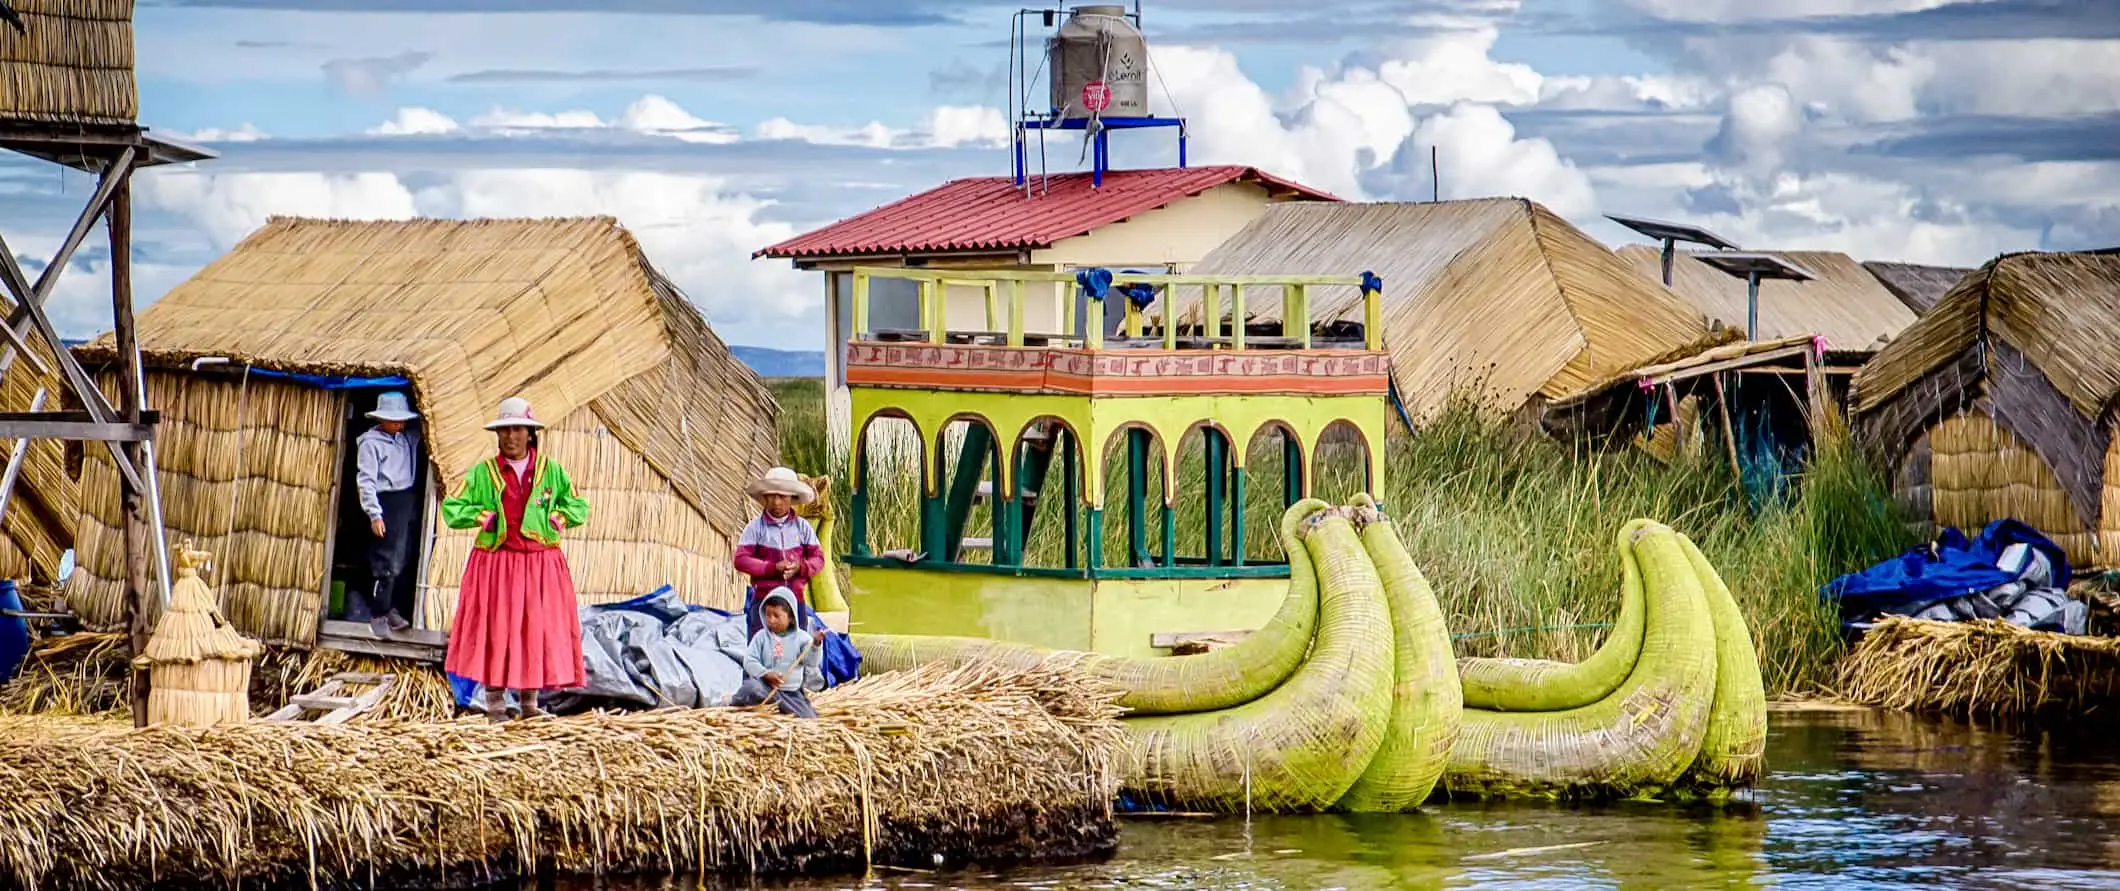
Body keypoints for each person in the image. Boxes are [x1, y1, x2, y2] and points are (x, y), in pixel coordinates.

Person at [441, 396, 590, 722]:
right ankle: (495, 705)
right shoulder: (484, 473)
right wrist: (481, 517)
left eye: (518, 429)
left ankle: (529, 704)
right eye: (505, 430)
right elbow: (452, 508)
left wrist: (561, 518)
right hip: (497, 564)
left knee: (535, 630)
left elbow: (578, 505)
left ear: (530, 433)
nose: (511, 437)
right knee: (497, 628)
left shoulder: (552, 472)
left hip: (540, 564)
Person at [354, 390, 422, 639]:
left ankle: (393, 609)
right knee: (385, 561)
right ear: (381, 419)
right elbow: (366, 480)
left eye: (402, 420)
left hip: (406, 499)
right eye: (394, 420)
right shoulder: (371, 443)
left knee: (402, 558)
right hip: (386, 501)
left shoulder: (405, 438)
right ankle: (378, 613)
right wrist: (375, 514)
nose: (399, 424)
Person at [733, 466, 826, 639]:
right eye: (771, 496)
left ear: (792, 498)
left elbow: (818, 559)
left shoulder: (802, 527)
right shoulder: (755, 528)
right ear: (765, 497)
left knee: (796, 652)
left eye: (782, 496)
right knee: (762, 653)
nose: (776, 502)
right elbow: (741, 560)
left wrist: (801, 567)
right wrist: (772, 568)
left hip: (795, 602)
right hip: (764, 603)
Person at [730, 588, 823, 718]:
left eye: (776, 616)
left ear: (790, 618)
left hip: (790, 693)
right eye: (768, 615)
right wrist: (765, 674)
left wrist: (815, 645)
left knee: (809, 719)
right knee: (750, 688)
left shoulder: (802, 639)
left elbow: (812, 662)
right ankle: (732, 704)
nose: (771, 620)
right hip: (765, 688)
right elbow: (749, 660)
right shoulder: (761, 637)